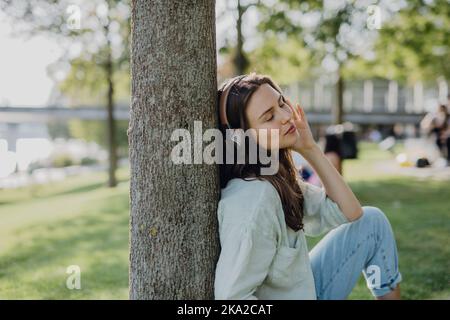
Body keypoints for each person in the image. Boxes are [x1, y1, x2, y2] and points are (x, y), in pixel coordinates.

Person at [214, 73, 402, 300]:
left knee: (372, 222)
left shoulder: (274, 179)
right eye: (268, 116)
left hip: (305, 291)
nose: (285, 116)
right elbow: (232, 298)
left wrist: (309, 148)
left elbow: (351, 212)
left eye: (281, 103)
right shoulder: (254, 200)